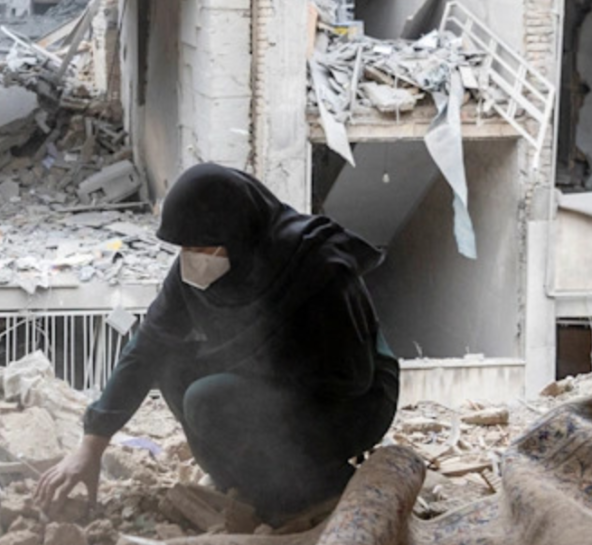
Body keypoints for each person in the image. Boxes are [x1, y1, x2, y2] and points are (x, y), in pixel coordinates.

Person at [36, 163, 399, 524]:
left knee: (208, 398)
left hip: (351, 400)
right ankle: (243, 483)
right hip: (271, 381)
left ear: (238, 234)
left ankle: (316, 486)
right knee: (172, 365)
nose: (190, 258)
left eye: (199, 246)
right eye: (184, 247)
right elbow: (147, 347)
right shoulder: (202, 268)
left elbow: (352, 377)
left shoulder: (316, 264)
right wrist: (92, 444)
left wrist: (254, 377)